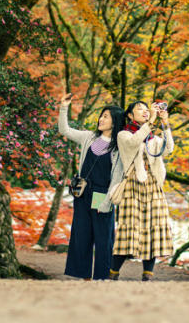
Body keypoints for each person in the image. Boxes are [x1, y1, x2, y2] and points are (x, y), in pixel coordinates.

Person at [57, 92, 126, 280]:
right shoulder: (89, 137)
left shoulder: (119, 147)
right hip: (83, 192)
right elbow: (65, 130)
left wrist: (107, 202)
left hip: (103, 194)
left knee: (104, 240)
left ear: (115, 121)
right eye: (101, 115)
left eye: (106, 116)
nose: (101, 119)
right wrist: (64, 107)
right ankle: (84, 276)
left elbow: (118, 177)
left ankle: (102, 278)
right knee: (81, 235)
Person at [110, 99, 175, 281]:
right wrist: (151, 121)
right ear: (130, 115)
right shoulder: (123, 135)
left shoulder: (153, 138)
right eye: (140, 109)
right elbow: (134, 142)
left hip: (154, 185)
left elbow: (169, 149)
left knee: (154, 227)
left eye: (147, 110)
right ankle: (113, 272)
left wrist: (165, 124)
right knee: (130, 228)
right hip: (133, 183)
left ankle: (148, 273)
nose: (145, 111)